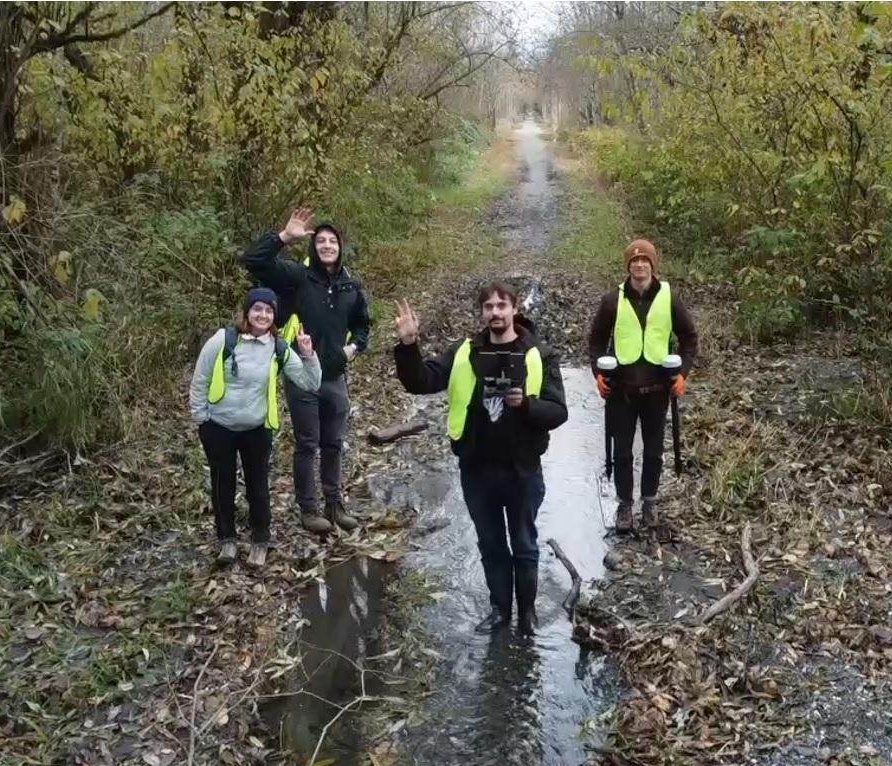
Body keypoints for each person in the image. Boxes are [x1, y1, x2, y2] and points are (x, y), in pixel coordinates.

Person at [393, 283, 568, 635]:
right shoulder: (464, 351)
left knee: (523, 544)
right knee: (490, 544)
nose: (495, 312)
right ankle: (500, 611)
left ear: (515, 309)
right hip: (477, 467)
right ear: (481, 312)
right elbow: (421, 380)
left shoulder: (539, 353)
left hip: (522, 469)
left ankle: (528, 615)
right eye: (488, 306)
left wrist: (526, 405)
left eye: (502, 305)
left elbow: (558, 411)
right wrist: (409, 345)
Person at [242, 208, 372, 534]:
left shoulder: (349, 286)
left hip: (336, 376)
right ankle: (309, 508)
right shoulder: (298, 279)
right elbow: (253, 260)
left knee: (334, 443)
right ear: (313, 248)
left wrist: (353, 348)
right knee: (308, 443)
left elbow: (362, 324)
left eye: (333, 241)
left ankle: (334, 503)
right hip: (301, 375)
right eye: (321, 241)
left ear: (341, 248)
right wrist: (284, 237)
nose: (327, 245)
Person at [189, 287, 323, 567]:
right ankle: (226, 540)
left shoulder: (278, 348)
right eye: (257, 309)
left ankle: (260, 541)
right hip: (219, 427)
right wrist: (201, 419)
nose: (263, 315)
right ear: (247, 312)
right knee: (221, 485)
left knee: (258, 487)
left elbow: (310, 383)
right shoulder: (222, 340)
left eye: (269, 310)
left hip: (256, 429)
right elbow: (200, 380)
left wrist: (309, 355)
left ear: (274, 316)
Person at [587, 239, 699, 533]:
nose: (639, 265)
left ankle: (649, 501)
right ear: (628, 266)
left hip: (658, 391)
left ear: (652, 265)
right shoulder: (612, 300)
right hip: (621, 390)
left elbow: (689, 338)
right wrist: (598, 372)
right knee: (621, 452)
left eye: (644, 261)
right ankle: (625, 505)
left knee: (653, 451)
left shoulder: (669, 297)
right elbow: (595, 340)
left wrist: (683, 374)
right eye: (634, 261)